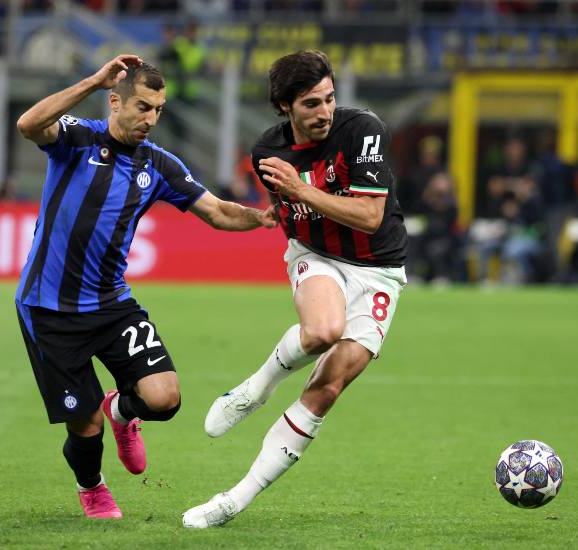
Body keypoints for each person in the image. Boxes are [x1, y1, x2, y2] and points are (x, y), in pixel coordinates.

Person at [14, 54, 277, 519]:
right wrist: (94, 80)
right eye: (142, 107)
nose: (150, 119)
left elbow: (217, 211)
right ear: (115, 102)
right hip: (49, 308)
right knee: (84, 423)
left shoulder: (158, 164)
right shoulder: (77, 138)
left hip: (112, 304)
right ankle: (92, 487)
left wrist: (260, 217)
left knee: (164, 398)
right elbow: (28, 124)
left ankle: (121, 411)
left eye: (158, 110)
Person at [182, 50, 408, 528]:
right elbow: (288, 212)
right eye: (311, 103)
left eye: (329, 98)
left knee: (328, 388)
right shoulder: (267, 151)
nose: (325, 111)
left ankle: (234, 499)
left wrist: (302, 191)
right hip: (316, 254)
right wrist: (274, 212)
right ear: (286, 106)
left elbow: (370, 217)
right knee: (324, 330)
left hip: (379, 269)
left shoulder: (363, 130)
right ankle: (255, 390)